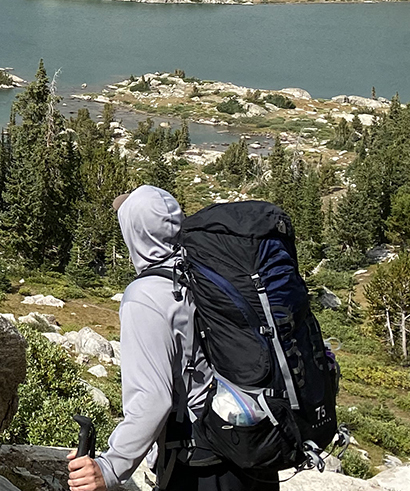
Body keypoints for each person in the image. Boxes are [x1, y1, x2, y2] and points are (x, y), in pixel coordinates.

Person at [67, 185, 279, 491]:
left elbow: (152, 401)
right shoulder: (212, 273)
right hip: (255, 447)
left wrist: (109, 467)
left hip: (201, 464)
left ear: (134, 233)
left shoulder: (146, 296)